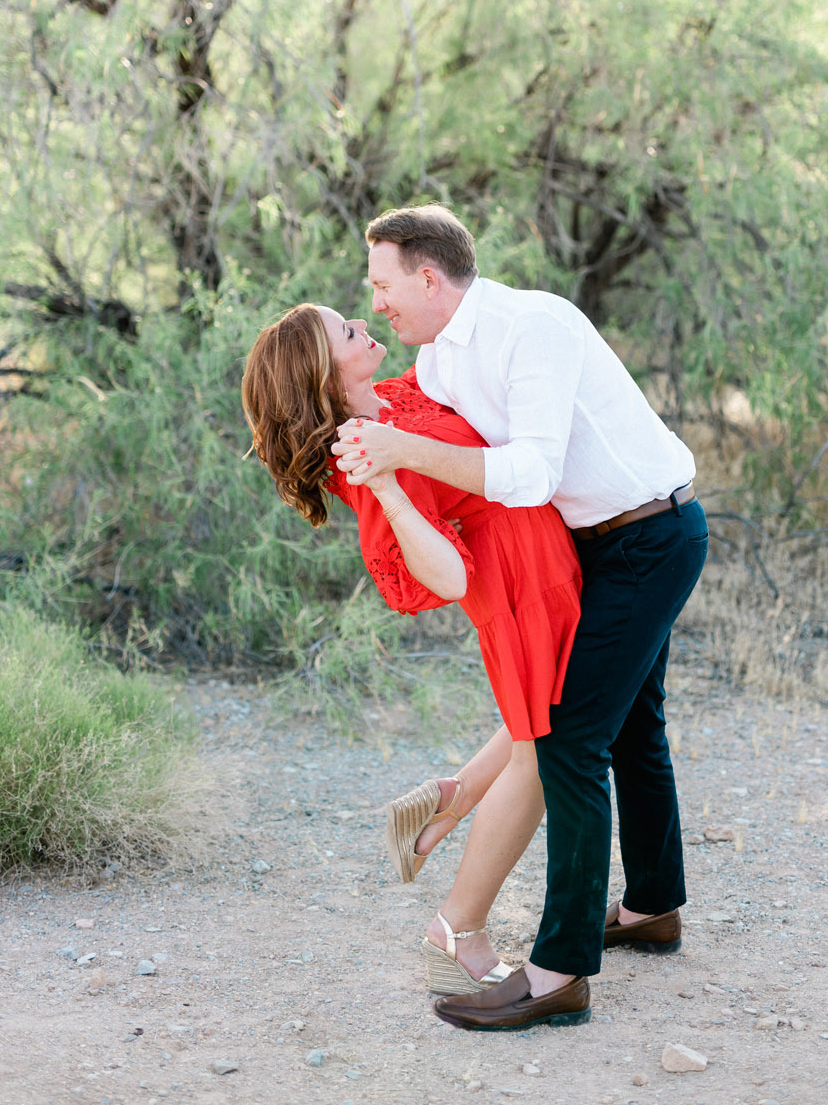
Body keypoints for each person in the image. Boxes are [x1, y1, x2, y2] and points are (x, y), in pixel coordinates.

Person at [332, 205, 709, 1032]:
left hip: (653, 532)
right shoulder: (436, 364)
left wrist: (403, 456)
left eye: (384, 286)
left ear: (429, 278)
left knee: (572, 740)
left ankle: (558, 971)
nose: (380, 303)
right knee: (634, 725)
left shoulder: (532, 325)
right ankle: (653, 907)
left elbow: (532, 473)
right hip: (597, 549)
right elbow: (427, 440)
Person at [241, 303, 583, 996]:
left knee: (555, 726)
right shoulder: (364, 451)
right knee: (544, 755)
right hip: (516, 586)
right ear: (327, 375)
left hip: (544, 559)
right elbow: (448, 576)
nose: (362, 325)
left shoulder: (394, 394)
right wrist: (390, 488)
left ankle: (444, 806)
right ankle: (455, 931)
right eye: (346, 331)